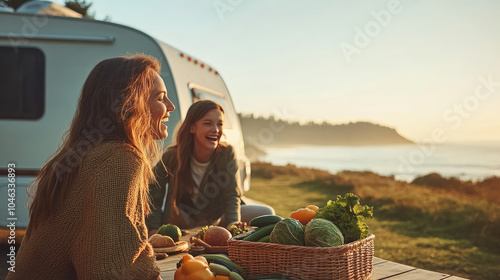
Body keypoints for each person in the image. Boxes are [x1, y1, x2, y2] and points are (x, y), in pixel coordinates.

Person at [6, 54, 175, 280]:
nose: (170, 106)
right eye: (161, 98)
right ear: (131, 104)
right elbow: (110, 270)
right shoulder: (119, 158)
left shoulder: (85, 154)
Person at [147, 100, 274, 234]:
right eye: (208, 123)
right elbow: (154, 195)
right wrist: (154, 229)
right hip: (181, 221)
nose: (216, 130)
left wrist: (233, 223)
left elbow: (231, 194)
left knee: (267, 212)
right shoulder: (172, 155)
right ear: (192, 128)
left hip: (217, 219)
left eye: (220, 124)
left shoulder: (226, 153)